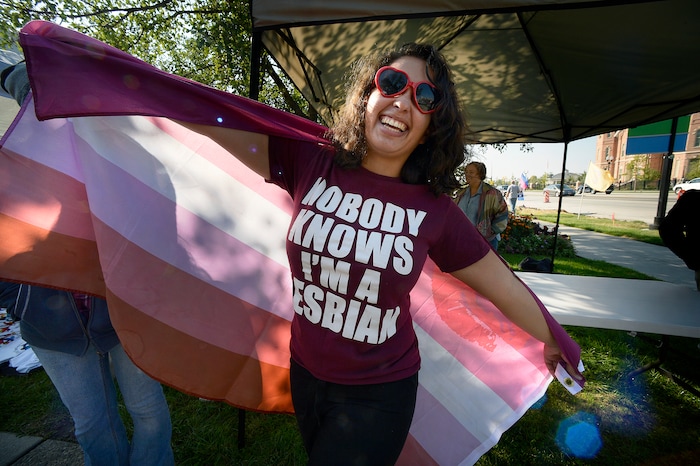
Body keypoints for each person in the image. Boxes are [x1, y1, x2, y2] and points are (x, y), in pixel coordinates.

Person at [170, 43, 582, 465]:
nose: (403, 101)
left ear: (432, 123)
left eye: (424, 97)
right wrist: (127, 81)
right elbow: (213, 118)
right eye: (392, 82)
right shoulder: (310, 162)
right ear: (368, 95)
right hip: (306, 372)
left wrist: (555, 338)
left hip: (378, 391)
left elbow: (504, 287)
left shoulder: (436, 210)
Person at [0, 281, 175, 466]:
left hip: (126, 313)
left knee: (148, 408)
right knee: (91, 424)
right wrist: (22, 302)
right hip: (50, 328)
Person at [454, 161, 509, 250]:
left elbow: (503, 213)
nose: (467, 174)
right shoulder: (461, 193)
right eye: (466, 172)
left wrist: (491, 231)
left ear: (480, 174)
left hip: (486, 242)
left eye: (471, 172)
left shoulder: (492, 193)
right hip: (462, 240)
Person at [659, 189, 700, 291]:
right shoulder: (694, 199)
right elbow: (668, 229)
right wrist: (693, 259)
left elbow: (667, 229)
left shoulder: (693, 199)